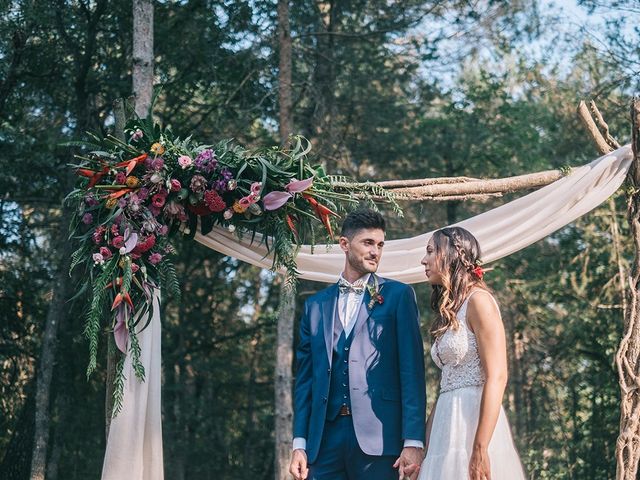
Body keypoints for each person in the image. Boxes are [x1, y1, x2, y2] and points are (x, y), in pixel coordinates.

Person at [289, 208, 427, 480]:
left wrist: (413, 440)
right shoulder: (315, 306)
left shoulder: (398, 296)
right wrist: (299, 445)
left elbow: (412, 372)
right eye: (368, 243)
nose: (376, 251)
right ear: (344, 244)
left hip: (380, 438)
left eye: (380, 245)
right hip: (324, 440)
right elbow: (305, 381)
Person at [418, 226, 526, 480]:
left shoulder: (480, 302)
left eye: (431, 251)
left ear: (453, 255)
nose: (424, 260)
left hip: (474, 424)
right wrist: (424, 447)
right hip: (446, 426)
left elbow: (497, 377)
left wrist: (480, 448)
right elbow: (446, 385)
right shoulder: (452, 310)